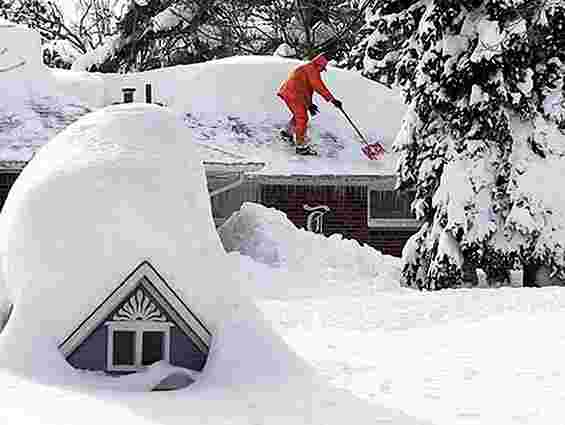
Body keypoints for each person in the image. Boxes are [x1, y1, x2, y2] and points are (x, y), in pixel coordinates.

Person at [277, 53, 343, 156]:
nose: (322, 70)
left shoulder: (309, 68)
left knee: (299, 115)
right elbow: (318, 86)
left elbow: (306, 89)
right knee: (302, 118)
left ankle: (286, 133)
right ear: (319, 65)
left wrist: (309, 104)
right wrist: (332, 100)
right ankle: (301, 146)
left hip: (293, 93)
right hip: (293, 94)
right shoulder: (312, 70)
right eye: (322, 68)